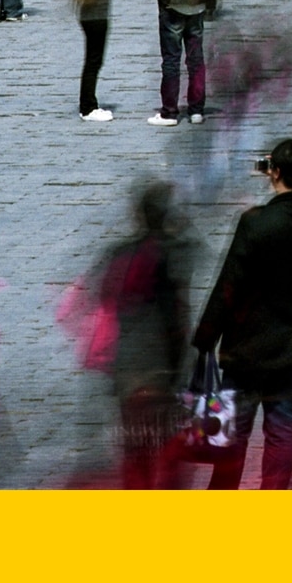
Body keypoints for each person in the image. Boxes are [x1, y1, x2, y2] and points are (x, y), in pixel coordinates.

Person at [190, 135, 292, 489]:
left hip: (248, 344)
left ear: (275, 171)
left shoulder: (255, 222)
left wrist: (206, 335)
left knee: (234, 431)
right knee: (282, 427)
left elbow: (230, 283)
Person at [90, 180, 191, 485]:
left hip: (128, 370)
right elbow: (176, 319)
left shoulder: (119, 254)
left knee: (135, 453)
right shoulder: (175, 255)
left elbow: (102, 299)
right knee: (171, 453)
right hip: (162, 372)